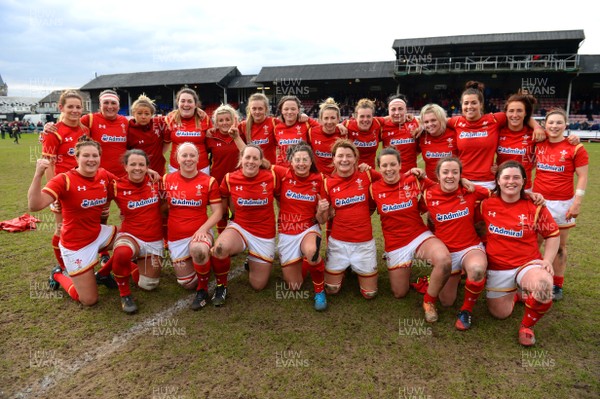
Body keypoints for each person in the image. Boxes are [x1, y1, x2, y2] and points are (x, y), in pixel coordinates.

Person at [28, 137, 117, 306]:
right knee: (89, 300)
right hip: (76, 244)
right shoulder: (64, 180)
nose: (91, 159)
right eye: (86, 155)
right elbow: (34, 205)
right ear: (76, 158)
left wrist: (147, 172)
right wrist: (38, 174)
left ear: (100, 157)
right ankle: (58, 274)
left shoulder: (104, 175)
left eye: (95, 155)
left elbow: (126, 186)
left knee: (133, 240)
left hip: (98, 233)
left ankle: (103, 274)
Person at [481, 160, 560, 346]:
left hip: (528, 263)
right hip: (498, 267)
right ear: (498, 181)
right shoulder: (485, 204)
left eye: (516, 177)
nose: (511, 181)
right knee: (500, 314)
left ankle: (526, 327)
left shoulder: (535, 205)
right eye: (506, 177)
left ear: (524, 181)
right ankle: (517, 293)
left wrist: (548, 260)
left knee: (543, 287)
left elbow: (553, 235)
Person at [370, 147, 451, 322]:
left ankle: (429, 302)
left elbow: (441, 190)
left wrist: (424, 177)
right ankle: (424, 279)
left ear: (400, 165)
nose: (389, 169)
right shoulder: (374, 188)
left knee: (444, 261)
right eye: (384, 165)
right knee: (400, 292)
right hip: (395, 244)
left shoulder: (412, 179)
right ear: (379, 168)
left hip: (418, 236)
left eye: (393, 164)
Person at [423, 157, 490, 329]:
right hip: (447, 253)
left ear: (461, 175)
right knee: (446, 301)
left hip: (470, 247)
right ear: (438, 175)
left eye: (455, 172)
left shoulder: (470, 190)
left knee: (476, 270)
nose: (450, 176)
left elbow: (502, 192)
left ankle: (466, 311)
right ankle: (438, 279)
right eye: (445, 172)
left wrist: (528, 194)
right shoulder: (428, 194)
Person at [532, 108, 589, 301]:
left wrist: (577, 202)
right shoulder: (538, 143)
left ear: (566, 125)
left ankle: (557, 285)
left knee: (559, 246)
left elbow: (582, 176)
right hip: (538, 201)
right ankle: (535, 279)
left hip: (563, 203)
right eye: (551, 123)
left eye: (559, 123)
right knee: (535, 242)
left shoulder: (575, 148)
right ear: (545, 124)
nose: (554, 126)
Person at [448, 81, 545, 188]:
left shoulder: (494, 119)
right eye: (466, 103)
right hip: (463, 180)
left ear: (481, 104)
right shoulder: (456, 122)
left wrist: (537, 126)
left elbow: (517, 116)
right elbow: (437, 122)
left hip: (488, 182)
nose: (469, 106)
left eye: (474, 103)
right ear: (461, 105)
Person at [163, 142, 224, 310]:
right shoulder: (166, 180)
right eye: (184, 155)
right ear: (176, 158)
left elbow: (218, 212)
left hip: (199, 233)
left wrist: (203, 229)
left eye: (192, 155)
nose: (188, 159)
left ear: (198, 158)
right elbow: (160, 208)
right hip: (176, 237)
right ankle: (205, 262)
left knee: (198, 250)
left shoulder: (208, 181)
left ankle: (203, 290)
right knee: (186, 283)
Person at [211, 144, 280, 292]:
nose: (251, 161)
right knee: (220, 248)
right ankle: (221, 286)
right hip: (240, 227)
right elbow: (222, 207)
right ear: (241, 159)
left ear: (261, 161)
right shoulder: (230, 178)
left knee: (258, 285)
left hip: (264, 233)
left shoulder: (271, 177)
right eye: (247, 157)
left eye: (255, 158)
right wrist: (223, 231)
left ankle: (252, 257)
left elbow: (283, 198)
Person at [107, 149, 164, 313]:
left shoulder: (156, 181)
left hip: (153, 239)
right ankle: (125, 294)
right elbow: (99, 202)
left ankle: (127, 264)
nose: (137, 168)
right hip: (131, 235)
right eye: (132, 164)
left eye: (141, 164)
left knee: (148, 285)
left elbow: (167, 205)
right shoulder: (116, 186)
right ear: (125, 166)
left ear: (147, 167)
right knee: (122, 253)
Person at [273, 142, 329, 310]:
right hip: (287, 231)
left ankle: (319, 291)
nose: (301, 163)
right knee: (295, 286)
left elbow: (323, 220)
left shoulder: (320, 180)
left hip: (308, 228)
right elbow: (255, 161)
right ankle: (308, 260)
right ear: (291, 161)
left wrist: (321, 210)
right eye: (297, 159)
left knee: (312, 252)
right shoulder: (282, 174)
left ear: (311, 162)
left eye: (305, 159)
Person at [40, 90, 90, 278]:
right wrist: (54, 193)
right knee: (62, 229)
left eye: (78, 107)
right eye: (70, 107)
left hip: (83, 186)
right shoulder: (54, 132)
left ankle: (80, 260)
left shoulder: (85, 130)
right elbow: (48, 164)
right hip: (63, 189)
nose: (75, 110)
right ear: (61, 108)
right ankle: (62, 267)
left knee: (81, 226)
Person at [323, 139, 380, 299]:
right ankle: (344, 267)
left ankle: (356, 267)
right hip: (339, 243)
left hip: (364, 243)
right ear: (333, 158)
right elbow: (324, 216)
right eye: (340, 156)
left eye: (349, 156)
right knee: (331, 289)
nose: (344, 159)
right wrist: (324, 211)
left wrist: (414, 174)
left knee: (370, 294)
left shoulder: (367, 174)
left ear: (356, 158)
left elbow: (391, 180)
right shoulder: (327, 183)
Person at [206, 104, 245, 233]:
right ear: (216, 122)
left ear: (234, 119)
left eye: (228, 119)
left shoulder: (241, 133)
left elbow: (246, 152)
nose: (224, 123)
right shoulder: (211, 136)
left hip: (237, 180)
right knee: (221, 212)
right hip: (218, 180)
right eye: (221, 120)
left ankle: (235, 235)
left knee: (236, 212)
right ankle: (222, 238)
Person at [164, 88, 211, 174]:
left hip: (201, 168)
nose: (186, 104)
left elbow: (210, 145)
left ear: (195, 104)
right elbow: (165, 143)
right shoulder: (170, 119)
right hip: (176, 168)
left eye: (190, 101)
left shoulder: (204, 119)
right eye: (183, 101)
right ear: (178, 103)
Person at [496, 93, 537, 189]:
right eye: (511, 111)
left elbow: (557, 140)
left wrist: (572, 139)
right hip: (501, 186)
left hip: (524, 188)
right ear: (505, 113)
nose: (515, 115)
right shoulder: (498, 131)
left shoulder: (534, 133)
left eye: (519, 111)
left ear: (525, 113)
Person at [127, 94, 168, 176]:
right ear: (133, 113)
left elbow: (175, 116)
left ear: (151, 115)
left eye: (147, 114)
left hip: (158, 172)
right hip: (138, 173)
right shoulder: (128, 129)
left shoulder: (158, 123)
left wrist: (197, 110)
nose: (143, 117)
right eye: (139, 113)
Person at [274, 95, 319, 167]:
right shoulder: (275, 127)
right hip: (283, 169)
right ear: (281, 110)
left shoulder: (306, 124)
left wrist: (309, 119)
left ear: (298, 110)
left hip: (301, 167)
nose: (289, 112)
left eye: (293, 109)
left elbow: (323, 128)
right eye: (286, 109)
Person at [380, 95, 421, 174]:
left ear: (406, 110)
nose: (397, 112)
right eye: (393, 109)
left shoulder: (416, 123)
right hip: (390, 175)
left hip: (411, 174)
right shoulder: (382, 126)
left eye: (400, 109)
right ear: (388, 111)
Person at [418, 104, 457, 181]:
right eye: (426, 122)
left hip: (452, 184)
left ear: (441, 119)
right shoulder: (421, 136)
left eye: (433, 120)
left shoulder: (455, 133)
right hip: (431, 186)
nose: (430, 124)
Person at [307, 98, 346, 176]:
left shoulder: (344, 133)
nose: (329, 122)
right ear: (320, 119)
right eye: (326, 118)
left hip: (338, 179)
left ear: (338, 119)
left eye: (333, 118)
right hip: (318, 178)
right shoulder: (311, 132)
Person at [342, 99, 384, 168]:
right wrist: (338, 125)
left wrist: (406, 116)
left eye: (368, 116)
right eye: (362, 116)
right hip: (351, 172)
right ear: (355, 117)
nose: (365, 120)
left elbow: (391, 118)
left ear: (372, 117)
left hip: (370, 172)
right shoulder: (347, 125)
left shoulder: (377, 123)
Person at [238, 93, 278, 164]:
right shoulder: (243, 126)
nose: (257, 112)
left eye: (260, 108)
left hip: (269, 167)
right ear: (249, 109)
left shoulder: (273, 122)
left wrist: (301, 116)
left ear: (266, 109)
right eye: (254, 108)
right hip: (251, 168)